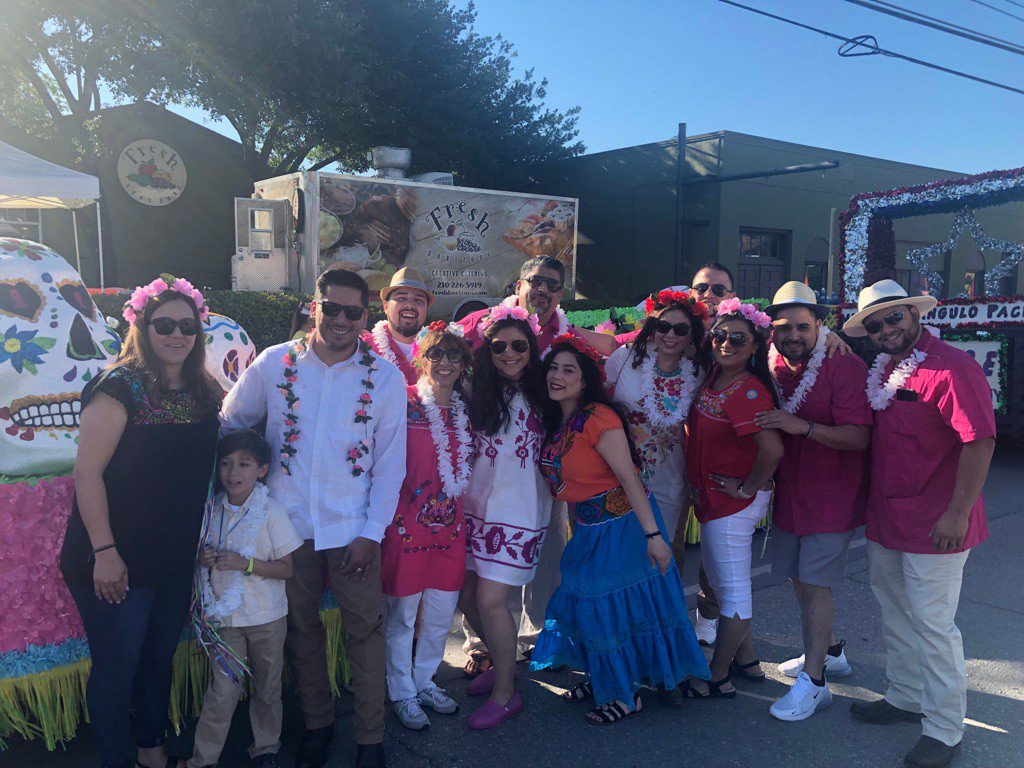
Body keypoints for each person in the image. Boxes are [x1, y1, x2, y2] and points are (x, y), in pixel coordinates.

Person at [221, 268, 407, 768]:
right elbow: (232, 424)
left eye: (354, 311)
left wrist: (372, 533)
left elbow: (390, 465)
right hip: (288, 528)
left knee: (365, 631)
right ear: (314, 306)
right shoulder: (275, 363)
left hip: (354, 530)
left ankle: (371, 737)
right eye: (333, 308)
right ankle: (318, 728)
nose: (343, 320)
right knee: (302, 631)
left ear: (365, 316)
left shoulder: (385, 377)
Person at [60, 276, 221, 768]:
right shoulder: (117, 388)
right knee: (117, 666)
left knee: (157, 660)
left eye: (187, 326)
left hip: (172, 557)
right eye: (164, 324)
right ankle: (114, 758)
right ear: (141, 326)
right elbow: (87, 476)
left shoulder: (203, 390)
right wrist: (105, 554)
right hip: (114, 558)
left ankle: (152, 750)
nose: (177, 334)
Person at [843, 280, 996, 768]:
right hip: (888, 518)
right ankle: (906, 696)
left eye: (894, 317)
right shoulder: (883, 368)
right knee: (894, 611)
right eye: (875, 324)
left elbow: (979, 442)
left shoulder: (954, 367)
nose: (886, 328)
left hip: (937, 524)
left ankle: (945, 730)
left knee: (934, 625)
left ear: (914, 313)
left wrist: (957, 512)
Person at [531, 335, 710, 724]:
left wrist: (654, 538)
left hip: (624, 528)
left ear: (585, 379)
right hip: (589, 528)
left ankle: (627, 696)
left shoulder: (599, 417)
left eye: (569, 370)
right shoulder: (557, 418)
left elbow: (629, 479)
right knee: (587, 606)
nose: (558, 376)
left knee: (604, 610)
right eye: (553, 368)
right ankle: (603, 677)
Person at [753, 282, 871, 721]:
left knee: (815, 583)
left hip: (832, 495)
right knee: (799, 580)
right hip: (790, 492)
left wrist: (800, 426)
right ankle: (831, 651)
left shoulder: (844, 365)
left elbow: (860, 436)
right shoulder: (767, 360)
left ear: (820, 326)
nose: (793, 335)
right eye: (783, 327)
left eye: (803, 326)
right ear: (771, 330)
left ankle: (816, 681)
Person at [683, 297, 784, 699]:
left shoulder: (747, 391)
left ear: (756, 345)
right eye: (719, 336)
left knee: (734, 591)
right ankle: (748, 660)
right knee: (725, 588)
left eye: (738, 339)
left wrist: (747, 487)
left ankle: (717, 675)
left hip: (732, 506)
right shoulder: (716, 377)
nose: (726, 343)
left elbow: (772, 450)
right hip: (713, 502)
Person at [458, 307, 552, 729]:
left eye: (519, 345)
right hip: (473, 508)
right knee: (463, 593)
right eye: (499, 346)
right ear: (486, 350)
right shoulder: (472, 388)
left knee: (490, 599)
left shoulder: (549, 390)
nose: (510, 353)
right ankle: (502, 664)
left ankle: (506, 692)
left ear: (532, 348)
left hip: (519, 511)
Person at [186, 430, 302, 768]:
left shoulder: (271, 512)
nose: (233, 473)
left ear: (262, 470)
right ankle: (203, 759)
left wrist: (245, 563)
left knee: (268, 688)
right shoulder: (211, 511)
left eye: (244, 464)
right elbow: (197, 555)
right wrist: (204, 558)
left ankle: (266, 748)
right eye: (226, 464)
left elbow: (287, 569)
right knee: (222, 691)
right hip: (226, 620)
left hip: (267, 617)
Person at [381, 322, 473, 731]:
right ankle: (400, 690)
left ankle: (424, 680)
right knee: (402, 613)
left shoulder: (468, 410)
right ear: (421, 358)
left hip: (451, 527)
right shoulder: (400, 402)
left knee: (440, 612)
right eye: (436, 354)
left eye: (454, 355)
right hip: (405, 525)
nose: (445, 363)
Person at [605, 290, 708, 542]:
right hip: (616, 476)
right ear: (653, 326)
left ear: (692, 334)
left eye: (681, 330)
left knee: (658, 552)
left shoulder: (698, 373)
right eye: (664, 326)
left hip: (668, 483)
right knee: (619, 552)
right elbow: (597, 404)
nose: (671, 335)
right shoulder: (625, 357)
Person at [361, 267, 433, 385]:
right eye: (401, 298)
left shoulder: (439, 348)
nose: (410, 305)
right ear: (386, 306)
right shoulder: (364, 348)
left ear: (426, 309)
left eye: (419, 300)